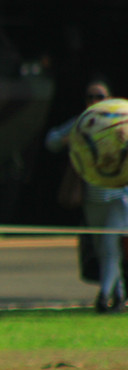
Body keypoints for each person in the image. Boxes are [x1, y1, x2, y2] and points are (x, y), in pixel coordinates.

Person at [45, 75, 128, 313]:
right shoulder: (83, 123)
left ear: (109, 98)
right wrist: (71, 137)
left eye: (99, 96)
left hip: (119, 197)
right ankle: (119, 295)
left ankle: (103, 296)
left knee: (111, 247)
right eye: (90, 96)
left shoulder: (122, 118)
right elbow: (51, 141)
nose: (94, 101)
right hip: (93, 197)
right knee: (102, 248)